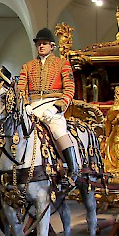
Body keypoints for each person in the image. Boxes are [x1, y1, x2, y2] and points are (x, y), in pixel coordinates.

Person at [17, 27, 78, 190]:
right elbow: (21, 88)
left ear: (53, 46)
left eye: (44, 44)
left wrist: (57, 108)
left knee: (58, 130)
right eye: (39, 44)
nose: (41, 46)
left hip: (53, 104)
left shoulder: (62, 64)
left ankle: (73, 169)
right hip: (33, 106)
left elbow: (70, 88)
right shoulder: (27, 66)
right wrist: (26, 105)